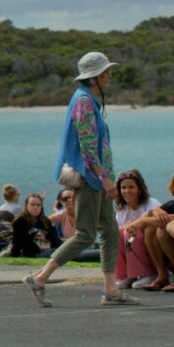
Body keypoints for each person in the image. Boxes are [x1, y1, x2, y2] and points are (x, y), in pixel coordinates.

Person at [23, 51, 135, 308]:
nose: (110, 75)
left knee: (108, 231)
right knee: (85, 234)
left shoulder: (89, 100)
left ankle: (111, 288)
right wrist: (106, 180)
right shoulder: (84, 102)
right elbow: (87, 148)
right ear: (95, 77)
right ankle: (39, 278)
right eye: (106, 72)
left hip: (96, 179)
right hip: (92, 179)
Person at [124, 167, 174, 291]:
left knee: (162, 229)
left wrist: (142, 221)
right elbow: (151, 215)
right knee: (150, 228)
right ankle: (162, 276)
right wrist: (151, 213)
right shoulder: (173, 204)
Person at [113, 170, 163, 289]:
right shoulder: (122, 210)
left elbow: (160, 224)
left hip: (153, 246)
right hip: (132, 244)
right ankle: (127, 274)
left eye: (131, 187)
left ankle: (147, 273)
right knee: (117, 233)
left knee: (129, 234)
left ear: (139, 189)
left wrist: (137, 225)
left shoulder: (151, 204)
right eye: (123, 187)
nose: (127, 191)